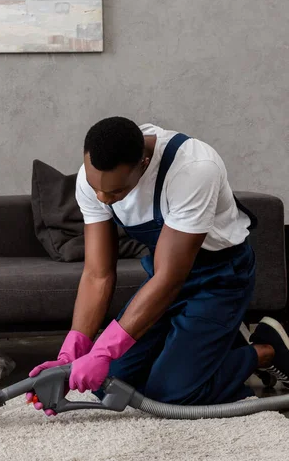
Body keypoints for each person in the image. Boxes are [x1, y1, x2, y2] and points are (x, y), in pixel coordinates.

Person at [27, 117, 289, 415]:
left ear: (144, 162)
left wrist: (102, 350)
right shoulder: (94, 181)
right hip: (162, 279)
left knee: (170, 395)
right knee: (108, 382)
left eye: (113, 193)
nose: (102, 197)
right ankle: (219, 342)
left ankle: (265, 352)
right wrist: (72, 353)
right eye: (95, 187)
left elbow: (169, 278)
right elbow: (98, 274)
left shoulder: (194, 169)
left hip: (219, 280)